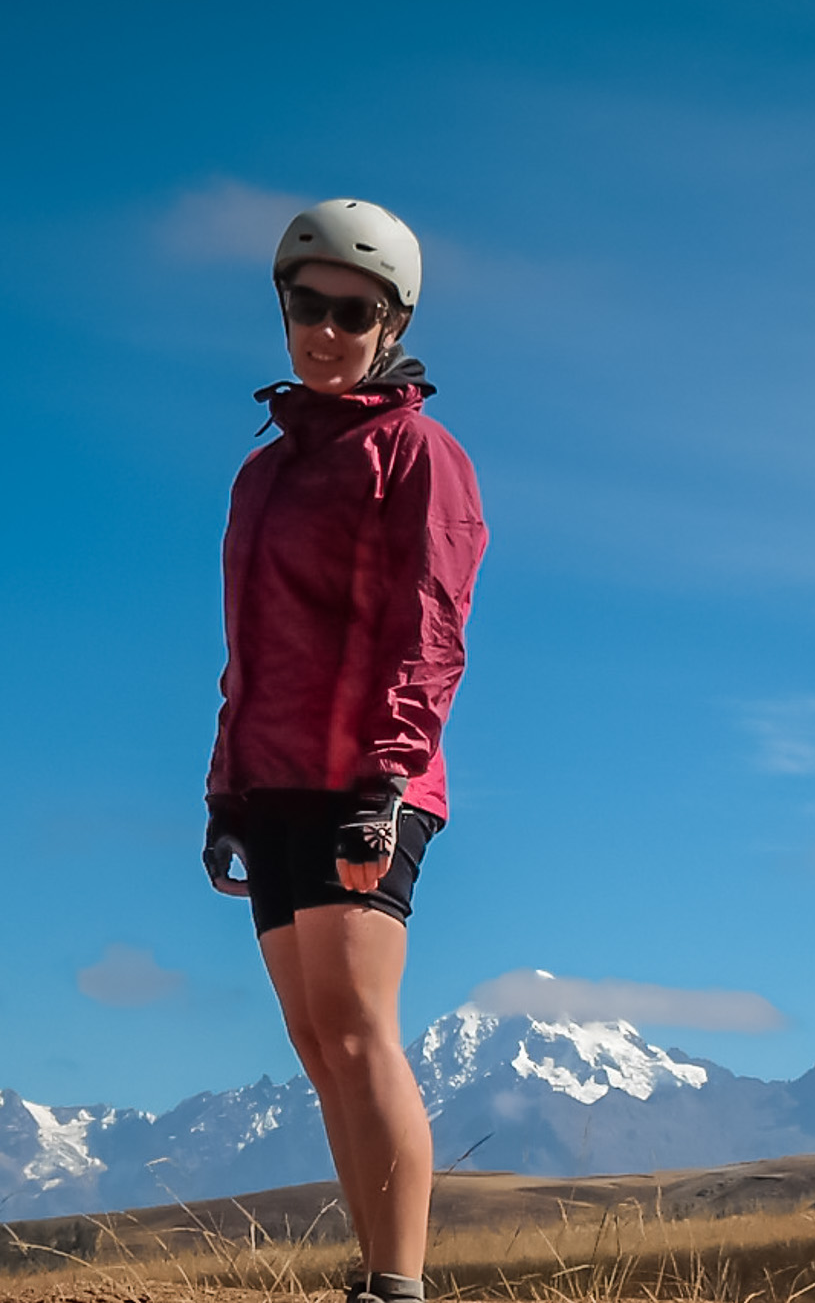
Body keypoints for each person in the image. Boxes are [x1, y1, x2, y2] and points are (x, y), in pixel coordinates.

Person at [202, 199, 486, 1303]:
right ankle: (373, 1281)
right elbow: (249, 644)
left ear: (392, 320)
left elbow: (433, 621)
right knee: (321, 1046)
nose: (325, 330)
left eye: (351, 312)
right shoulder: (261, 474)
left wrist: (388, 776)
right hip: (269, 778)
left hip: (369, 779)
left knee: (361, 1035)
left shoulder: (417, 451)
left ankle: (399, 1287)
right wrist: (226, 786)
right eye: (306, 306)